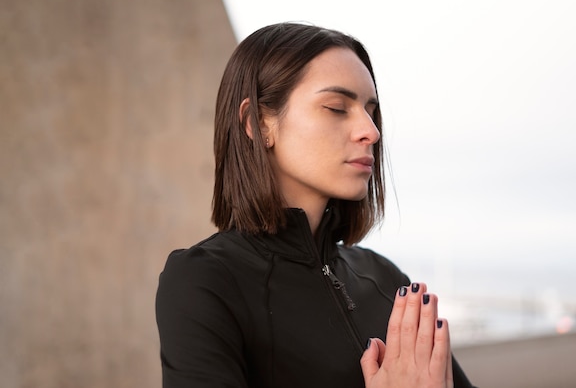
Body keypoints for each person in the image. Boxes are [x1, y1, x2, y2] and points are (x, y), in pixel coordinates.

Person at [156, 22, 475, 388]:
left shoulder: (386, 281)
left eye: (371, 111)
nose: (371, 131)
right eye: (337, 107)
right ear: (258, 124)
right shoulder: (205, 281)